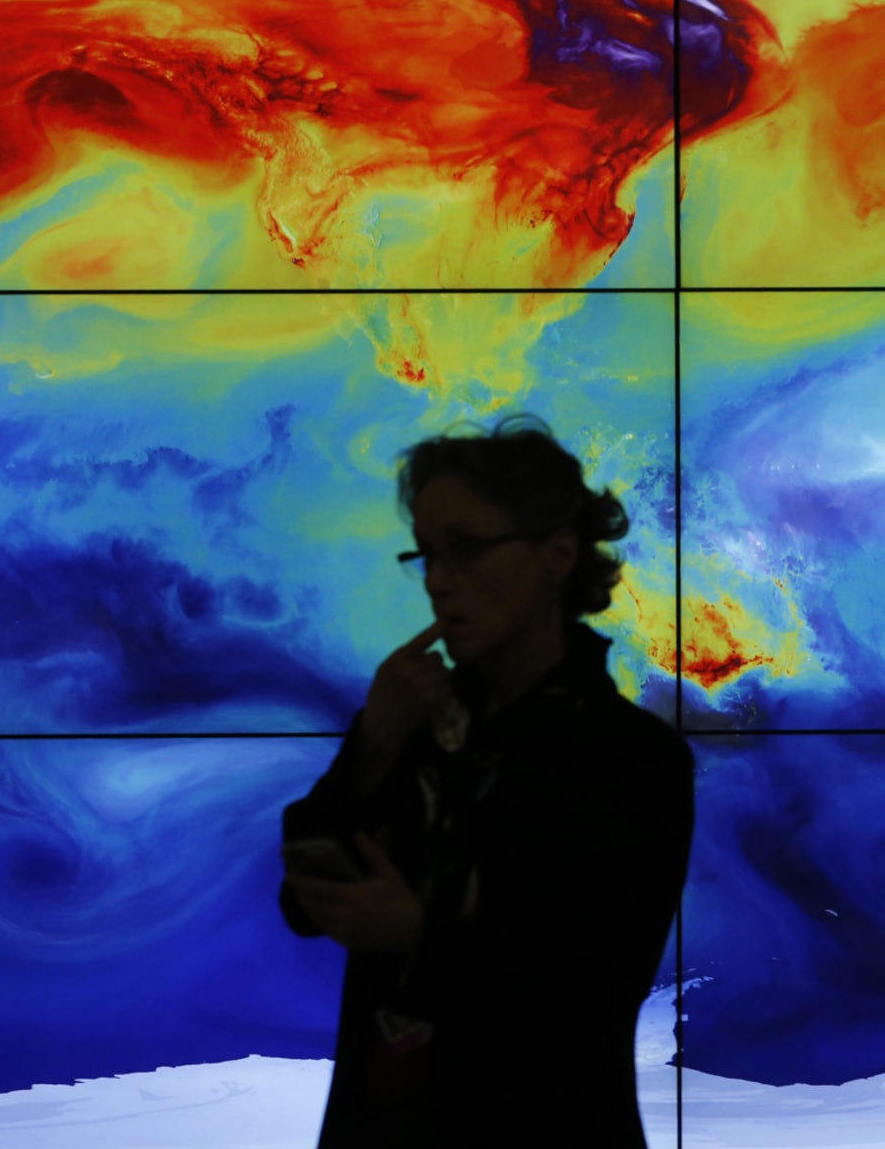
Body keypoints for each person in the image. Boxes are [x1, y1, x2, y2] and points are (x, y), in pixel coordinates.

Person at [279, 414, 694, 1147]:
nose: (438, 581)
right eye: (428, 555)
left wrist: (417, 934)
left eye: (466, 550)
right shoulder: (407, 724)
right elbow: (302, 902)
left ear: (557, 554)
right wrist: (373, 743)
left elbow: (594, 990)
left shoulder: (631, 757)